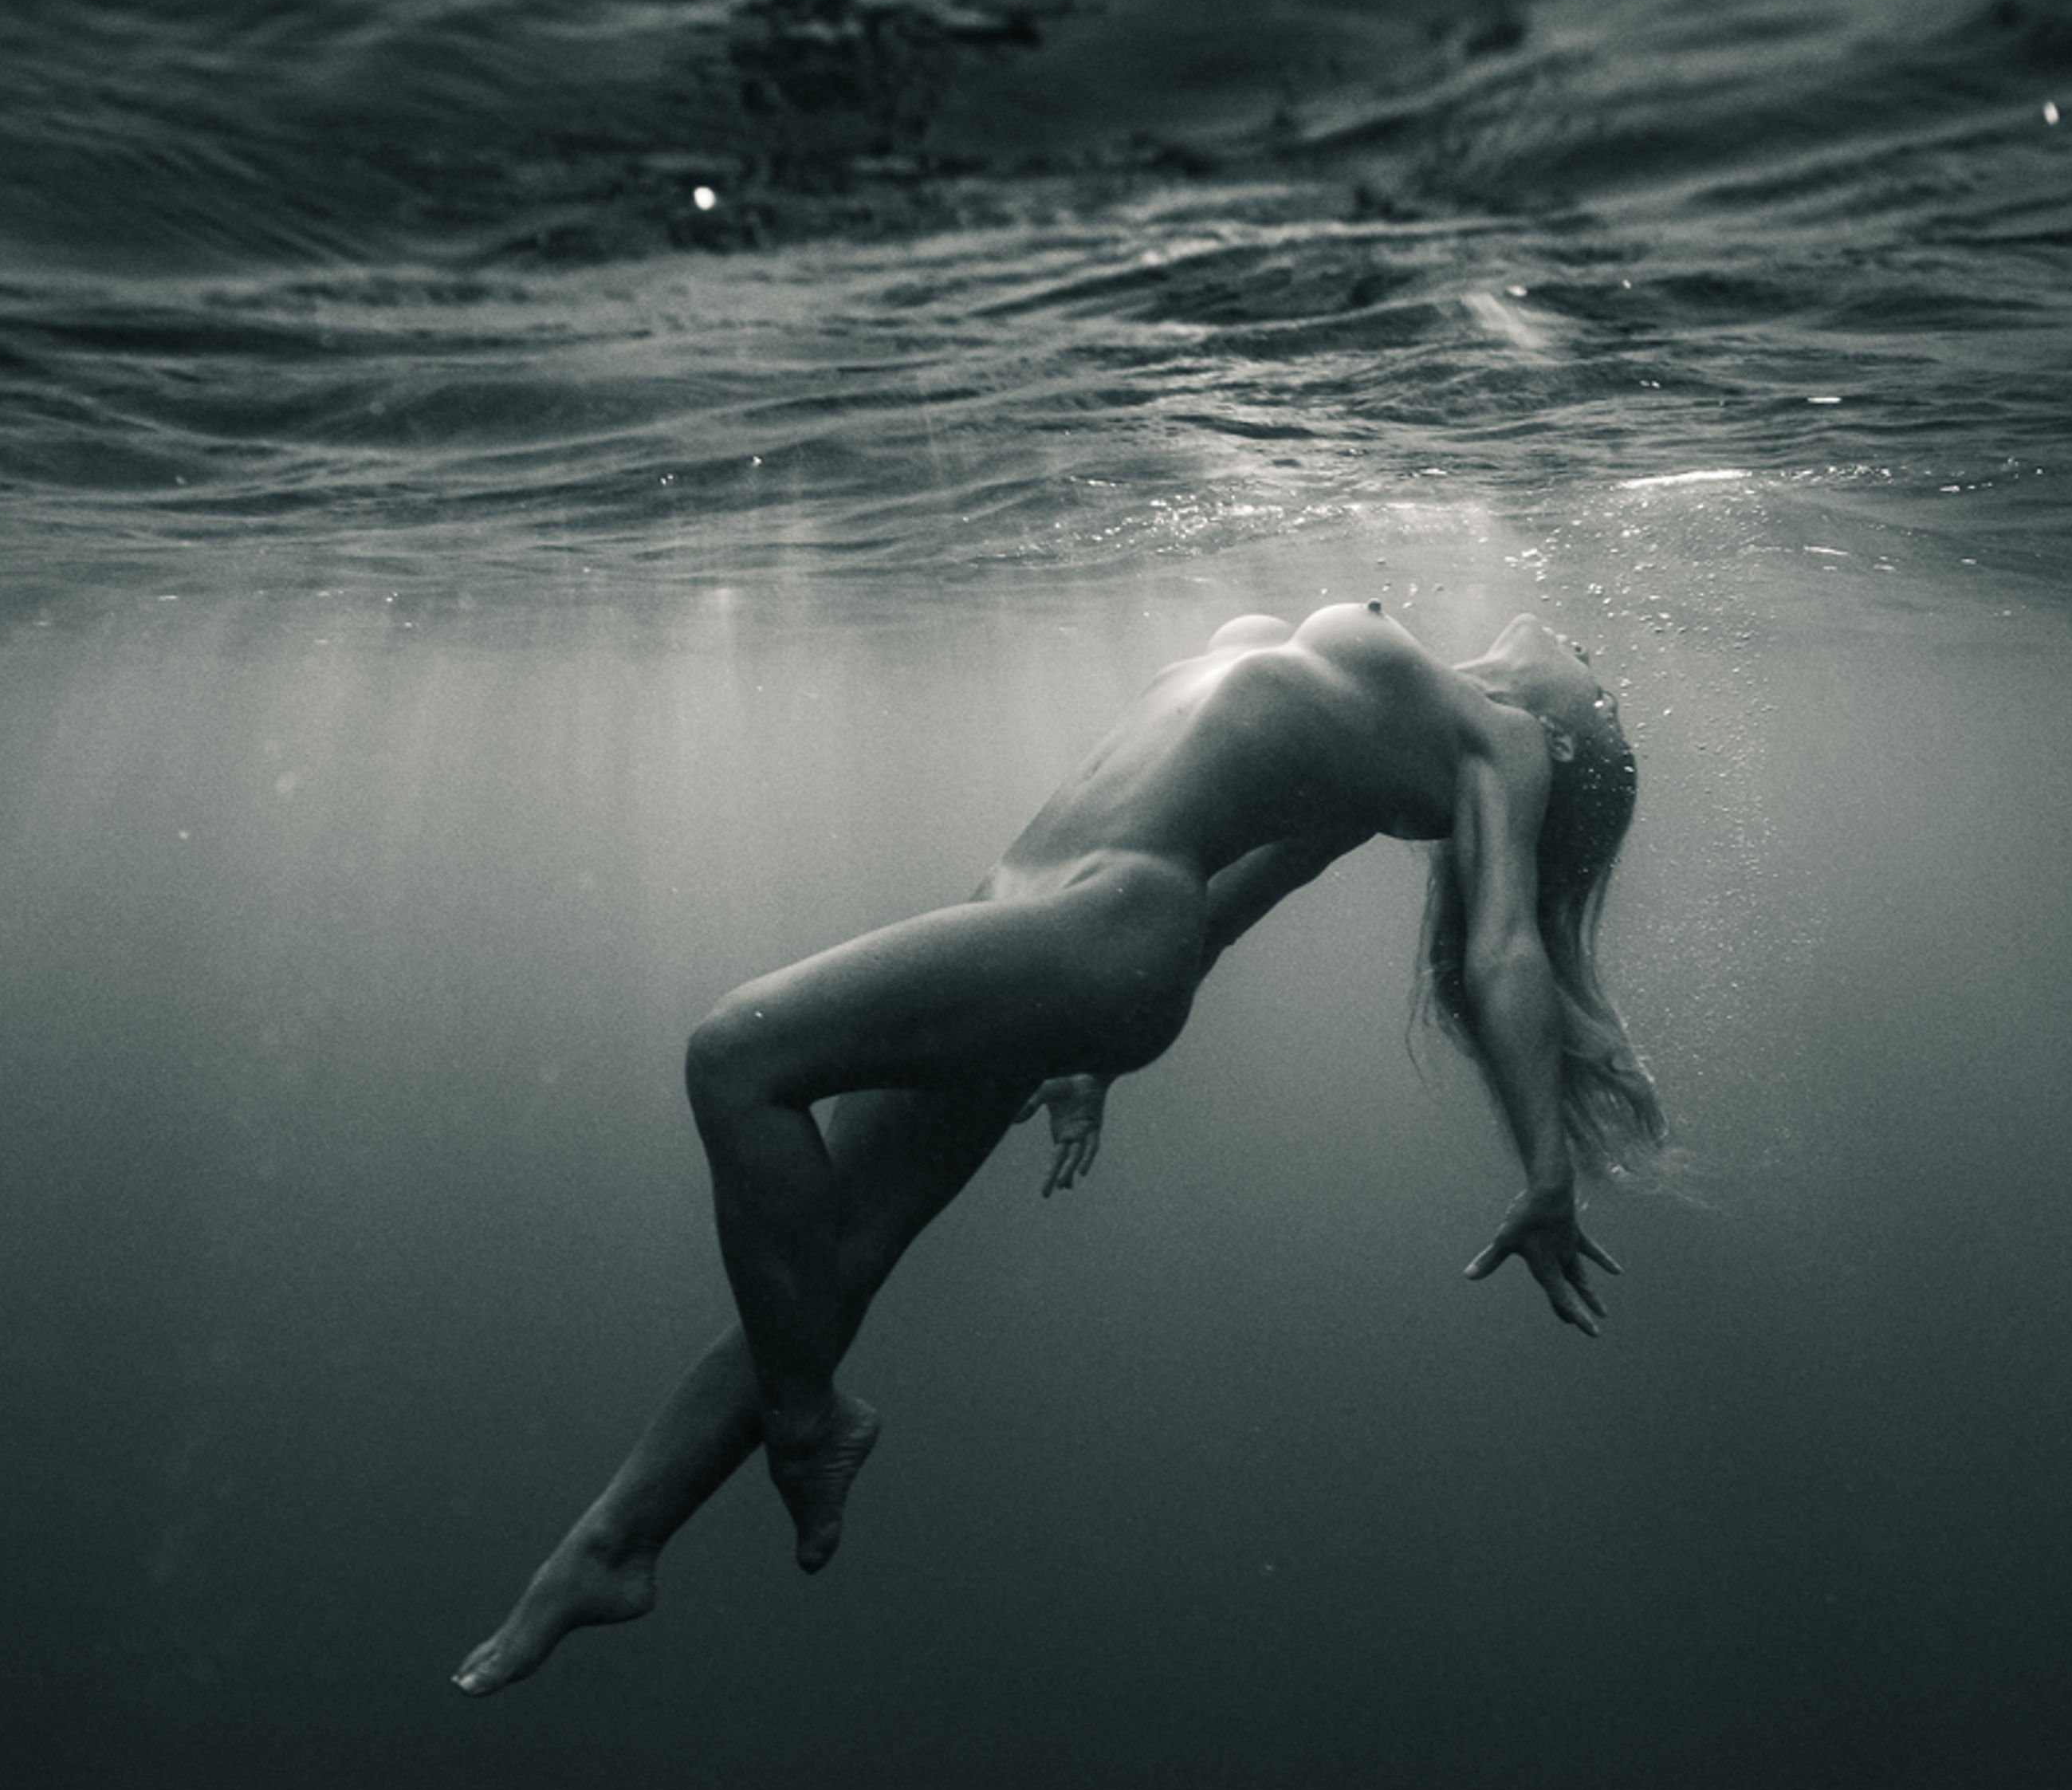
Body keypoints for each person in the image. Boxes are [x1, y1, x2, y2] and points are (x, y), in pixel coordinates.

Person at [450, 603, 1658, 1694]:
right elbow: (1254, 887)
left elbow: (1504, 949)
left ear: (1563, 745)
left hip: (1104, 926)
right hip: (1042, 917)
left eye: (1600, 689)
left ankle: (806, 1420)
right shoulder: (1403, 721)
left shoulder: (1500, 745)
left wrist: (1545, 1170)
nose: (1589, 652)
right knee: (829, 1253)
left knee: (735, 1057)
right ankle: (612, 1546)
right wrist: (1098, 1056)